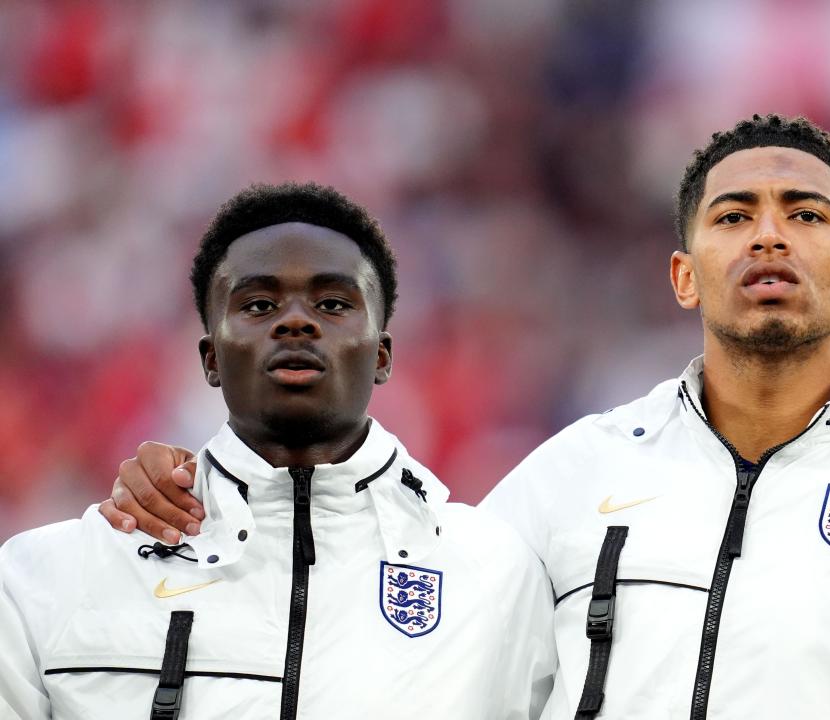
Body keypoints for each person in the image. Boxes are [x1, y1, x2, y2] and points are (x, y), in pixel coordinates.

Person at [99, 116, 830, 719]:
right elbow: (377, 594)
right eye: (734, 216)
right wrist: (209, 493)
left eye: (806, 215)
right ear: (684, 274)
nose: (769, 235)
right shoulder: (579, 474)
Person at [0, 182, 555, 719]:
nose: (295, 321)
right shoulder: (53, 577)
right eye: (260, 304)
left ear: (382, 355)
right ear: (210, 358)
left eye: (334, 303)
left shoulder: (497, 576)